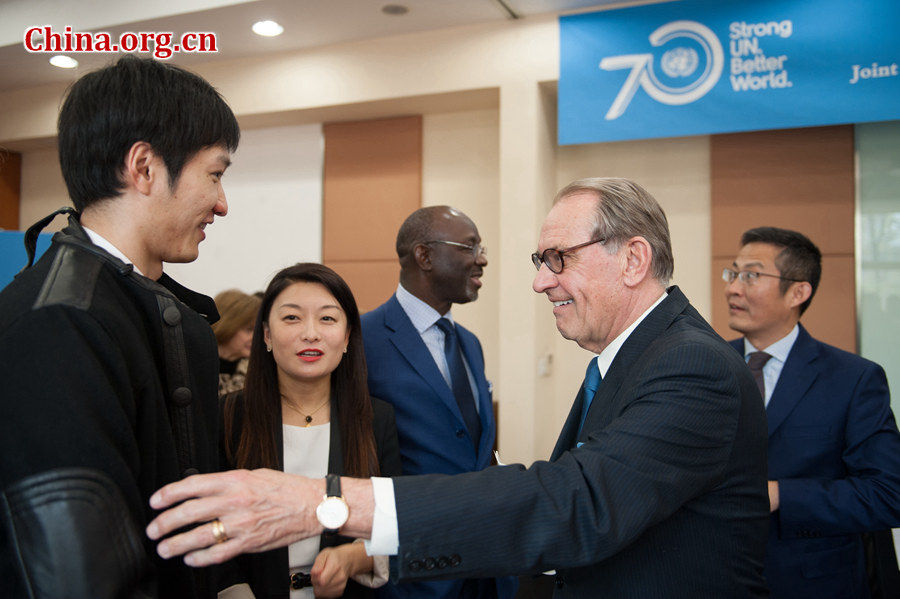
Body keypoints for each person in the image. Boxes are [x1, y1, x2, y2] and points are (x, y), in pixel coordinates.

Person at [147, 177, 770, 598]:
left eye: (558, 259)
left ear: (632, 260)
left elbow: (573, 503)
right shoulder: (640, 358)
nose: (540, 283)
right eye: (540, 262)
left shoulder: (691, 366)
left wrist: (324, 504)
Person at [0, 55, 239, 599]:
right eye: (216, 174)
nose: (222, 204)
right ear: (145, 167)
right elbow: (73, 573)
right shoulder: (57, 324)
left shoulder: (175, 317)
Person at [722, 226, 900, 599]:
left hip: (812, 582)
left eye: (752, 275)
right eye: (733, 273)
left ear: (798, 292)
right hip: (713, 577)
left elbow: (887, 494)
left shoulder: (853, 379)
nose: (733, 288)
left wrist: (781, 495)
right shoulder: (705, 365)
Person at [219, 263, 402, 598]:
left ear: (347, 337)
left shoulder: (376, 419)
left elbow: (394, 526)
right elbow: (208, 525)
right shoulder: (228, 416)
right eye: (292, 318)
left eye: (327, 318)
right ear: (266, 335)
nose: (311, 333)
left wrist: (351, 558)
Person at [360, 206, 515, 599]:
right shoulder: (363, 339)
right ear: (424, 256)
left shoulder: (469, 344)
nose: (482, 258)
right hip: (414, 569)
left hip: (484, 564)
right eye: (469, 246)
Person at [212, 289, 261, 396]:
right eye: (249, 329)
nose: (256, 337)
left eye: (257, 330)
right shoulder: (190, 367)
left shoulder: (257, 374)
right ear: (227, 324)